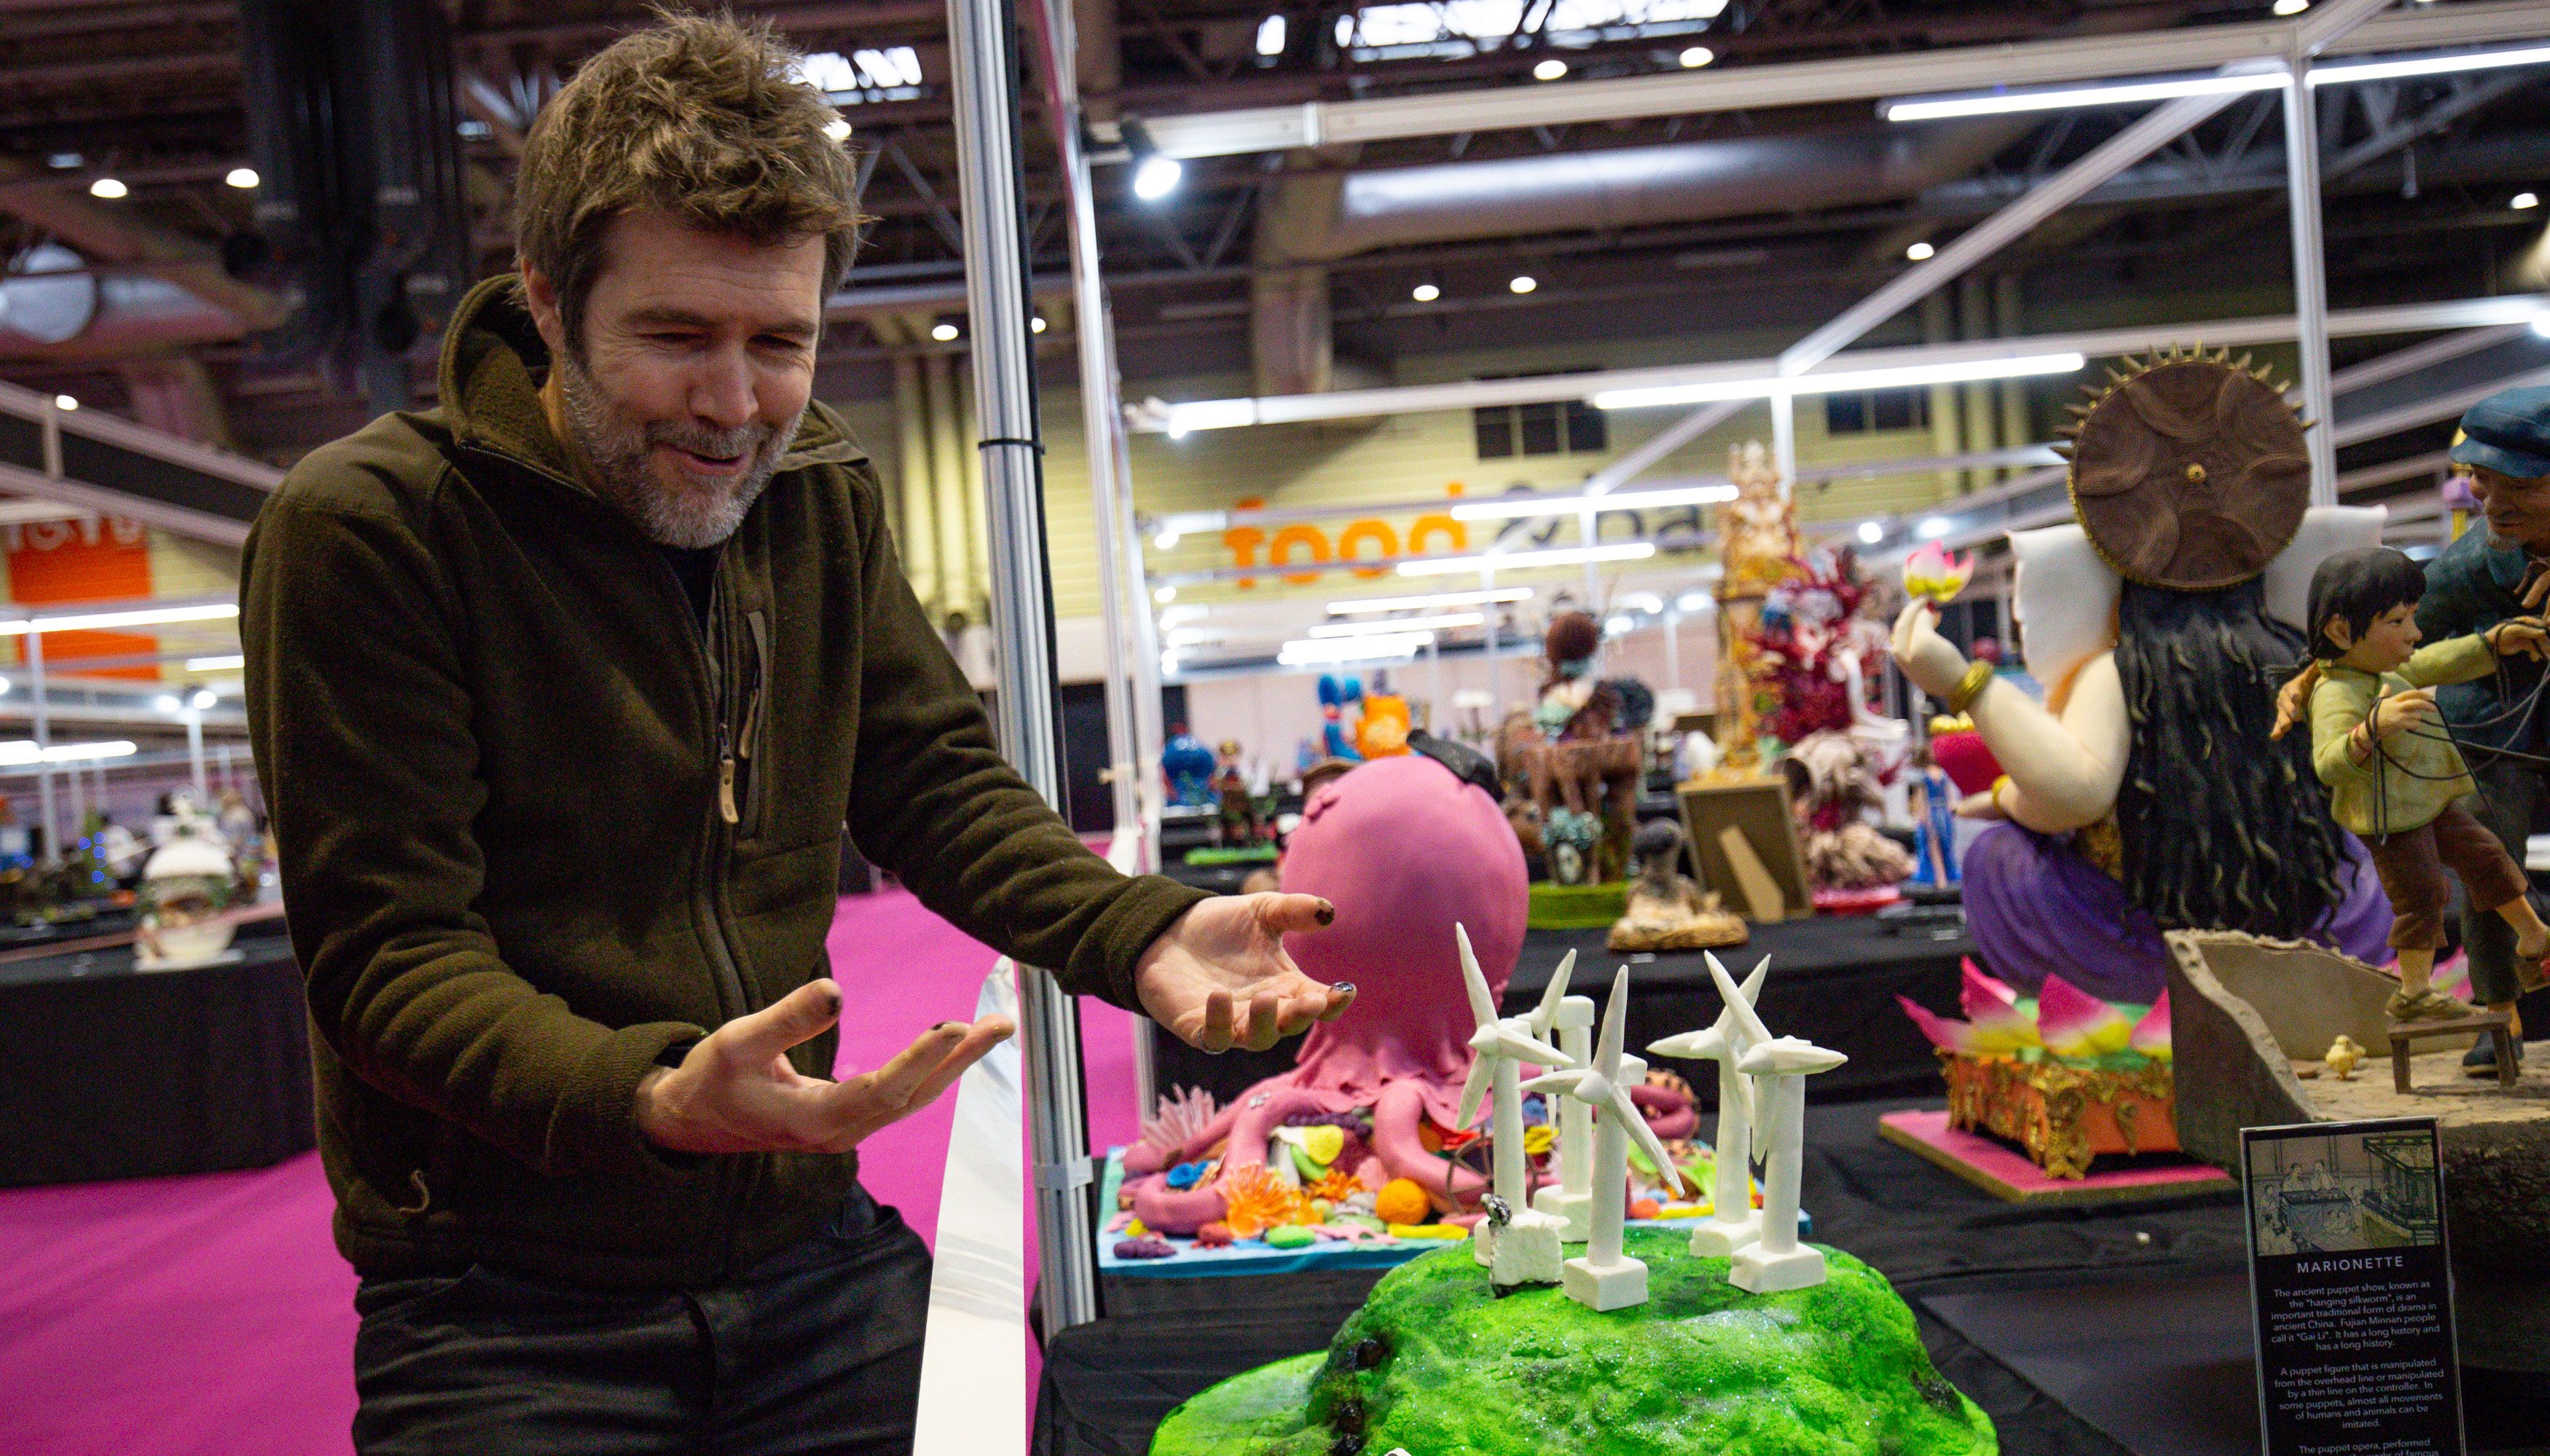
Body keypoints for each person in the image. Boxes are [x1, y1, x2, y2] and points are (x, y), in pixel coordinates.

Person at [240, 17, 1353, 1455]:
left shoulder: (818, 491)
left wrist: (1136, 933)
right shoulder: (371, 533)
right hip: (506, 1309)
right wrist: (644, 1094)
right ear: (545, 296)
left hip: (808, 1262)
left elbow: (932, 780)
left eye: (782, 342)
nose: (737, 403)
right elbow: (385, 956)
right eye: (675, 338)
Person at [2278, 546, 2550, 1021]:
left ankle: (2533, 934)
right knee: (2423, 895)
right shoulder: (2337, 693)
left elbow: (2436, 660)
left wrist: (2492, 643)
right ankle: (2415, 990)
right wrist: (2369, 730)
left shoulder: (2379, 669)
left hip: (2428, 804)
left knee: (2486, 855)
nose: (2415, 632)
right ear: (2343, 631)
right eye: (2399, 622)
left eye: (2413, 618)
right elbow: (2326, 765)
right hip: (2391, 820)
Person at [2419, 384, 2550, 1071]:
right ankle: (2498, 1019)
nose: (2493, 504)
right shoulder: (2472, 564)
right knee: (2486, 861)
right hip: (2494, 735)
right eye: (2482, 483)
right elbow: (2403, 639)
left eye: (2518, 487)